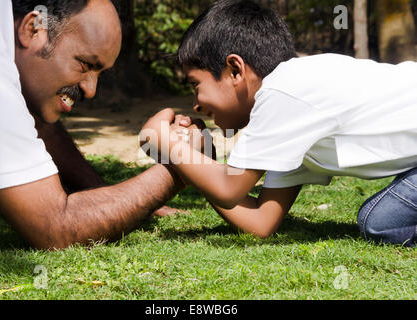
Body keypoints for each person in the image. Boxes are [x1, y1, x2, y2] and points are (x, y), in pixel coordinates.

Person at [140, 0, 417, 247]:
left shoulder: (283, 92)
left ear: (235, 70)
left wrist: (168, 142)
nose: (196, 105)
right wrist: (198, 159)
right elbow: (260, 223)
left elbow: (228, 189)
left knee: (382, 222)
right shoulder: (291, 112)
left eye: (195, 85)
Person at [0, 0, 188, 250]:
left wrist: (112, 197)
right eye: (85, 64)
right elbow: (54, 228)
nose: (90, 89)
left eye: (99, 73)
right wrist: (179, 166)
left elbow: (39, 127)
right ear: (32, 29)